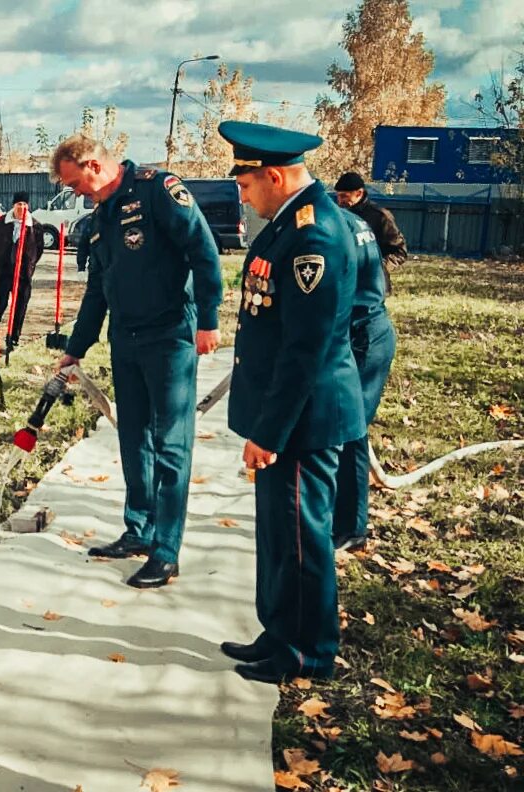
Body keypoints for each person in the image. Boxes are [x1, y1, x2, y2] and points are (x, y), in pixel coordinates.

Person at [216, 120, 366, 684]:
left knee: (303, 541)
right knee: (280, 535)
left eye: (246, 185)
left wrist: (269, 433)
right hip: (285, 417)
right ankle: (279, 633)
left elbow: (305, 350)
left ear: (274, 175)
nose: (243, 194)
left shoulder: (314, 236)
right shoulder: (287, 226)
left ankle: (307, 653)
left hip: (304, 422)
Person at [50, 134, 222, 589]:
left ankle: (167, 551)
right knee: (134, 439)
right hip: (125, 341)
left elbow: (203, 252)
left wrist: (209, 320)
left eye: (74, 183)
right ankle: (139, 530)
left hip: (170, 338)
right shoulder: (102, 216)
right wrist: (76, 347)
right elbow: (97, 290)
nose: (75, 193)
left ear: (92, 165)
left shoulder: (157, 189)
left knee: (170, 444)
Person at [333, 208, 397, 552]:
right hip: (363, 328)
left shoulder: (326, 224)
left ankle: (352, 527)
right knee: (342, 426)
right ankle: (336, 514)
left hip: (364, 336)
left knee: (351, 429)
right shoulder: (345, 218)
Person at [0, 191, 45, 352]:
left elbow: (39, 250)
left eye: (25, 204)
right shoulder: (1, 222)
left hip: (23, 275)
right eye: (19, 204)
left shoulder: (36, 226)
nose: (22, 207)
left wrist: (29, 265)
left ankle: (13, 339)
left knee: (19, 307)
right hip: (2, 272)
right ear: (13, 205)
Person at [334, 172, 408, 294]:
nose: (340, 201)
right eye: (338, 196)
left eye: (344, 196)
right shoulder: (338, 215)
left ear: (359, 193)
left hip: (372, 285)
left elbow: (399, 251)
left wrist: (378, 266)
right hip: (344, 283)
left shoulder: (380, 216)